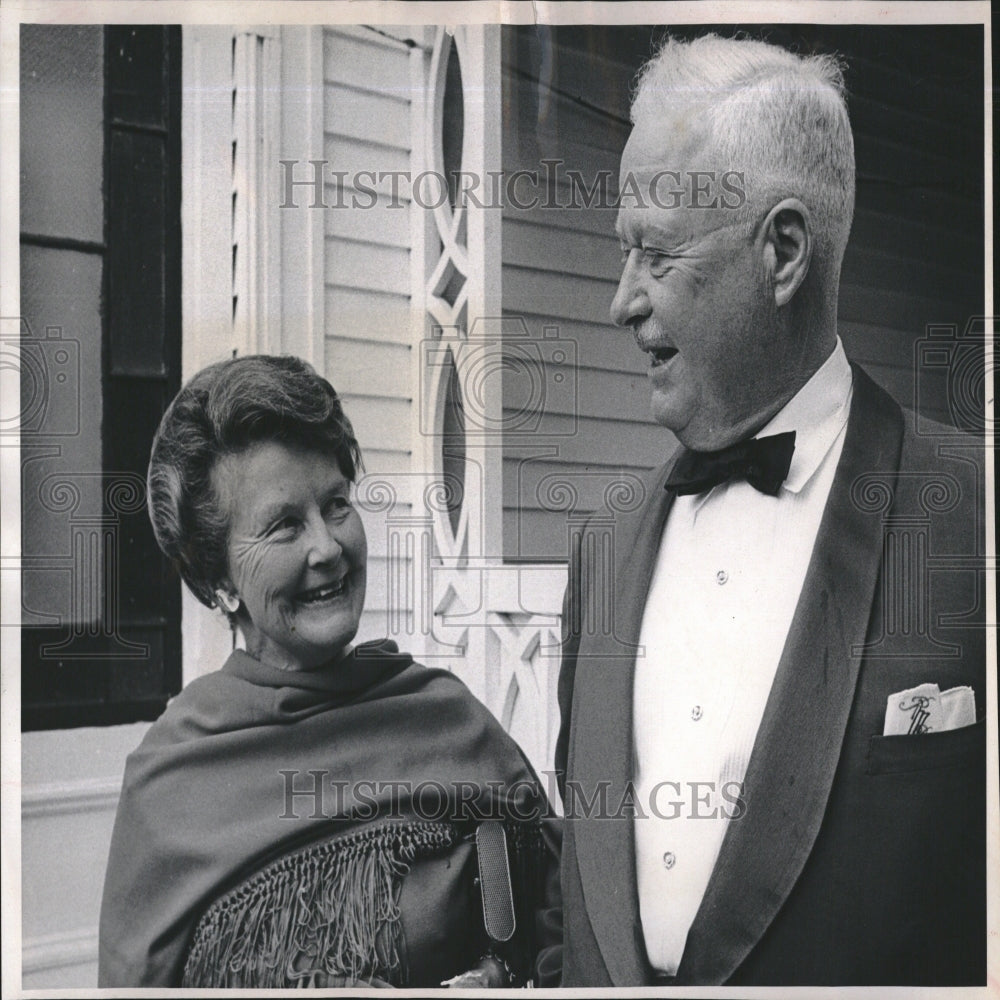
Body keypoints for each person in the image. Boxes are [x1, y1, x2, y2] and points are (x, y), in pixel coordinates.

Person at [555, 33, 985, 986]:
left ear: (782, 252)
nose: (619, 302)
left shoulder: (975, 518)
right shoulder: (601, 547)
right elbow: (573, 891)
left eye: (655, 255)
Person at [98, 355, 560, 988]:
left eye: (336, 506)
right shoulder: (172, 780)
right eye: (285, 525)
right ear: (217, 581)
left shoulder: (445, 718)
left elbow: (563, 928)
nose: (327, 547)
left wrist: (499, 978)